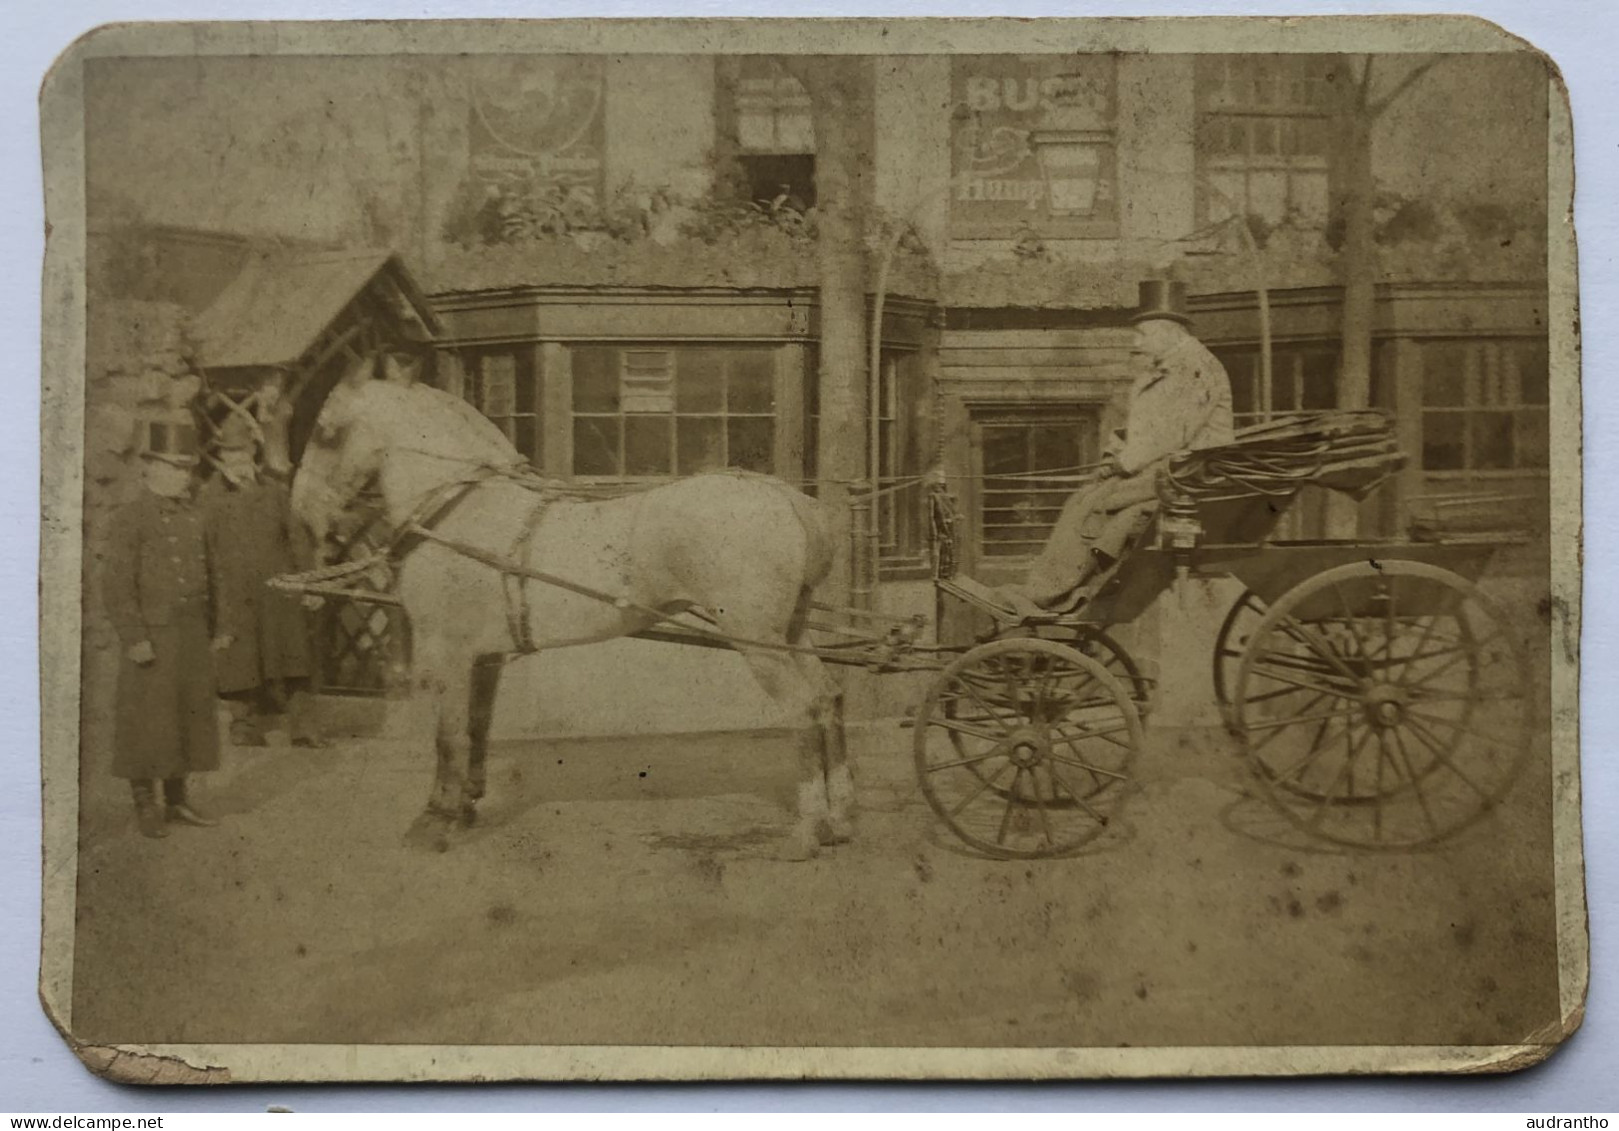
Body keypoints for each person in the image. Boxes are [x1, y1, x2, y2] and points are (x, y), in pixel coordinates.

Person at [1010, 280, 1236, 613]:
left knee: (1092, 505)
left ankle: (1049, 595)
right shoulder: (1167, 368)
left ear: (1167, 331)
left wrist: (1123, 464)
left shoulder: (1196, 368)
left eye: (1143, 334)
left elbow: (1171, 433)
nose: (1137, 342)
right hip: (1165, 471)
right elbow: (1139, 427)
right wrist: (1112, 456)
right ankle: (1057, 593)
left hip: (1187, 474)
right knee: (1086, 499)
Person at [103, 433, 229, 839]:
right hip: (153, 635)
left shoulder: (195, 516)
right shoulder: (130, 518)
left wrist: (220, 627)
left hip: (191, 632)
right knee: (146, 719)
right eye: (176, 468)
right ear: (152, 467)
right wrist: (134, 636)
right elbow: (117, 585)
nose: (184, 477)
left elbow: (214, 574)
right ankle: (145, 804)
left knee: (187, 717)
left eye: (188, 469)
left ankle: (177, 800)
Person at [201, 416, 323, 748]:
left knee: (295, 658)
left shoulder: (275, 491)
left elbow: (297, 539)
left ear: (253, 450)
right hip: (235, 593)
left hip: (280, 590)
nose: (235, 458)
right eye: (228, 453)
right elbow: (204, 549)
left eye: (240, 451)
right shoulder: (209, 497)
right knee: (241, 662)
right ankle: (244, 725)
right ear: (221, 456)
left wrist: (309, 583)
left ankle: (304, 727)